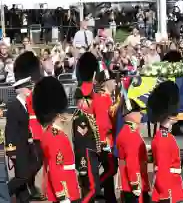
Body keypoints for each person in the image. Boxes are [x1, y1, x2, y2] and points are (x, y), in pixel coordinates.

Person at [32, 76, 81, 202]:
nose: (66, 114)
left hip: (66, 187)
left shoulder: (51, 133)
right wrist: (63, 196)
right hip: (66, 191)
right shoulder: (55, 136)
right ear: (58, 114)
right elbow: (56, 169)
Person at [6, 51, 45, 202]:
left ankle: (24, 195)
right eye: (29, 87)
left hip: (28, 146)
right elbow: (10, 130)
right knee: (22, 176)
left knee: (35, 165)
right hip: (18, 148)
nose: (31, 90)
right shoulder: (14, 105)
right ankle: (5, 190)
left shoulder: (28, 105)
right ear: (22, 88)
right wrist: (11, 151)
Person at [148, 81, 183, 203]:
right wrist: (165, 195)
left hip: (174, 184)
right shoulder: (163, 139)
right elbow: (162, 169)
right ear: (168, 115)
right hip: (169, 188)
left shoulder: (165, 136)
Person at [72, 52, 101, 203]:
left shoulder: (82, 91)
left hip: (86, 146)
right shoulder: (91, 92)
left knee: (86, 184)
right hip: (88, 148)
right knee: (93, 187)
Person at [116, 99, 150, 203]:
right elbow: (132, 161)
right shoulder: (131, 135)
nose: (141, 115)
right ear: (131, 114)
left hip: (128, 183)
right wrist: (135, 184)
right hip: (133, 184)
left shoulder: (127, 131)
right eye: (138, 112)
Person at [94, 66, 119, 203]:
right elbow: (103, 125)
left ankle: (110, 197)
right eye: (112, 80)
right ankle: (95, 188)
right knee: (112, 168)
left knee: (110, 169)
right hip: (105, 141)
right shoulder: (102, 99)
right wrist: (104, 142)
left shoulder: (107, 98)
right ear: (105, 82)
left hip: (109, 139)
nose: (115, 82)